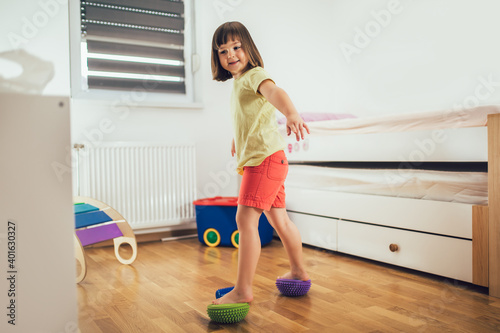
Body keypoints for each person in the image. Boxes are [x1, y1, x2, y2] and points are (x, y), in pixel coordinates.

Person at [211, 21, 310, 305]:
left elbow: (275, 93)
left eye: (236, 47)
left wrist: (291, 113)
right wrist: (237, 139)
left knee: (245, 219)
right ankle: (299, 272)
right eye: (222, 51)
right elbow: (249, 118)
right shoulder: (239, 83)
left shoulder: (255, 75)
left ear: (248, 47)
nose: (230, 55)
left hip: (264, 160)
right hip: (271, 158)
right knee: (280, 220)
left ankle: (242, 290)